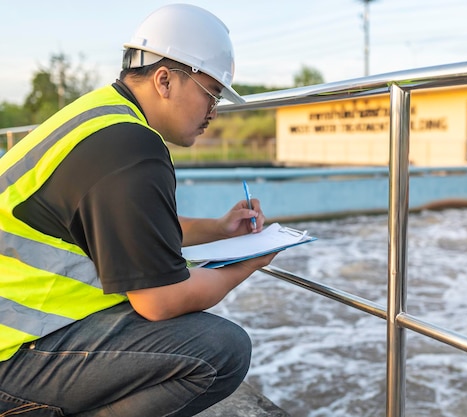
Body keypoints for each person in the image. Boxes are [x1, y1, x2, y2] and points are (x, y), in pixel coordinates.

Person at [0, 4, 277, 416]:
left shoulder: (100, 117)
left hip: (15, 333)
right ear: (165, 80)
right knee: (221, 349)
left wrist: (221, 228)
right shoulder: (132, 147)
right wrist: (246, 265)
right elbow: (159, 301)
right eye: (211, 93)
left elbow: (134, 232)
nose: (213, 112)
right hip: (12, 358)